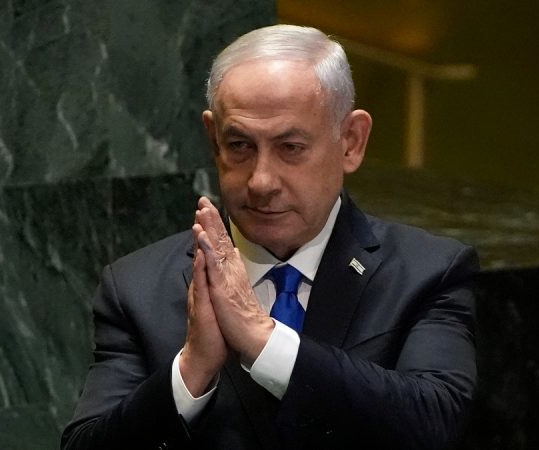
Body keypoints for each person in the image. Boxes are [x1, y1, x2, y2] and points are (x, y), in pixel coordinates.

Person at [62, 24, 477, 450]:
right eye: (240, 145)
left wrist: (263, 339)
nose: (261, 181)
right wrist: (191, 370)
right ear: (213, 139)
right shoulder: (137, 286)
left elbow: (434, 424)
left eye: (290, 147)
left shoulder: (426, 272)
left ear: (351, 142)